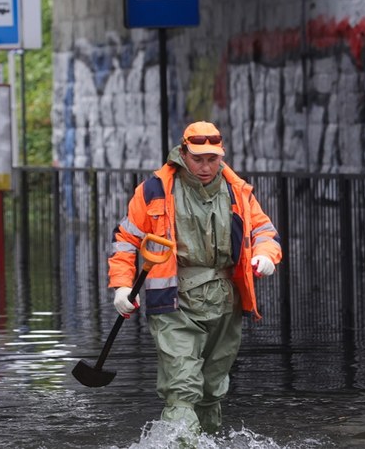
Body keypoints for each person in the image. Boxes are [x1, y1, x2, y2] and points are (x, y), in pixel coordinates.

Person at [107, 120, 282, 436]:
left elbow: (264, 231)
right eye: (198, 158)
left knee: (213, 390)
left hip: (226, 303)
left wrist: (266, 255)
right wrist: (121, 285)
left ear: (221, 155)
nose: (205, 166)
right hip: (175, 304)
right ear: (183, 153)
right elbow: (125, 240)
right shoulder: (155, 191)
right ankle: (182, 443)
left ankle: (208, 440)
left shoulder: (237, 191)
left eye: (212, 159)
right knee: (183, 387)